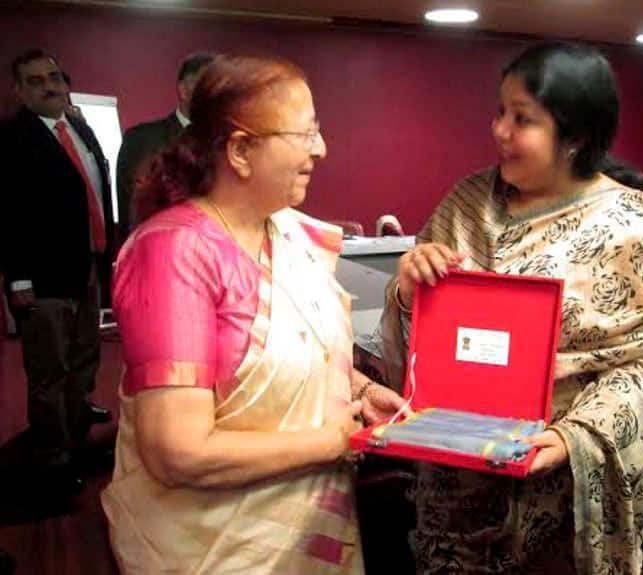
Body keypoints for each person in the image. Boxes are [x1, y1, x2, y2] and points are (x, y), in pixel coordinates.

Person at [381, 43, 643, 575]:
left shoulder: (632, 226)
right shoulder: (467, 202)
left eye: (523, 119)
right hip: (457, 475)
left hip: (563, 488)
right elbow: (420, 337)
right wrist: (409, 290)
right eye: (500, 111)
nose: (499, 130)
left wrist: (575, 438)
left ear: (577, 136)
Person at [101, 54, 404, 574]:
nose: (321, 149)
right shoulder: (175, 253)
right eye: (305, 134)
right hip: (214, 550)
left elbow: (301, 346)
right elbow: (178, 452)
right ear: (240, 150)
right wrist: (329, 442)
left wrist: (358, 389)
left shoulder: (285, 233)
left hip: (308, 535)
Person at [0, 49, 114, 493]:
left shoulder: (79, 128)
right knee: (49, 372)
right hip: (42, 278)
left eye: (54, 76)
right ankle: (53, 458)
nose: (49, 85)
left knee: (86, 358)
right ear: (20, 91)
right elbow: (7, 214)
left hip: (87, 264)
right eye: (36, 80)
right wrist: (19, 279)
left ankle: (77, 433)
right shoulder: (12, 140)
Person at [115, 52, 214, 240]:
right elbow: (131, 213)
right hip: (158, 251)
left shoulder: (229, 142)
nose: (218, 94)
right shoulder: (142, 139)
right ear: (185, 91)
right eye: (210, 86)